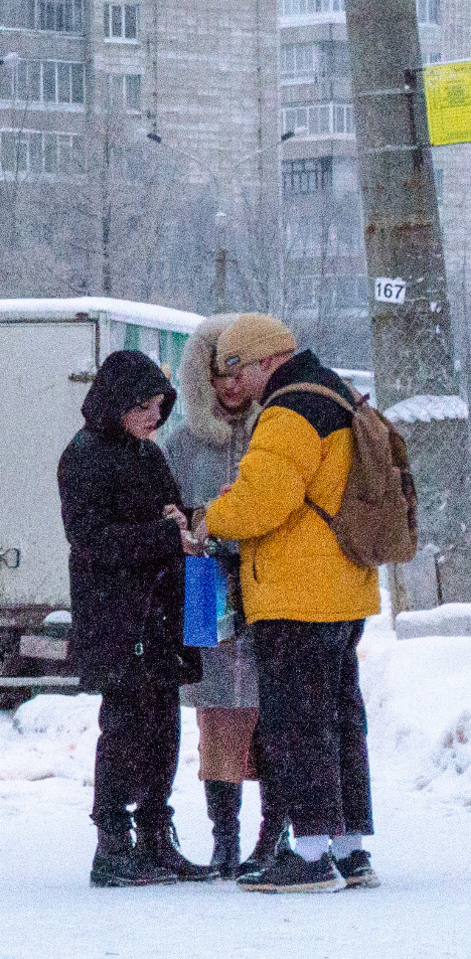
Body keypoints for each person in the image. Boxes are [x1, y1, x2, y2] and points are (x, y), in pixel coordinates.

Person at [199, 314, 378, 894]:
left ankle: (309, 853)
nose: (236, 386)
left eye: (238, 369)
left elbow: (264, 501)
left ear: (266, 359)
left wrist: (213, 517)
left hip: (298, 591)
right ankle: (350, 850)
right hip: (344, 586)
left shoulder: (289, 409)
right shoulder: (338, 394)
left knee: (297, 724)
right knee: (338, 717)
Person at [58, 348, 210, 886]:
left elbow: (167, 515)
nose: (153, 417)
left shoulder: (147, 454)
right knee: (123, 728)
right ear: (116, 403)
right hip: (116, 619)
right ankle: (112, 843)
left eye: (159, 406)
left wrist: (178, 520)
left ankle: (153, 834)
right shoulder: (86, 455)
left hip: (158, 617)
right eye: (143, 406)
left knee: (163, 726)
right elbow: (90, 540)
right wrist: (164, 533)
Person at [166, 314, 276, 874]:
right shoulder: (182, 445)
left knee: (273, 714)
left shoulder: (274, 433)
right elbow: (171, 512)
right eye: (218, 375)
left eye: (237, 373)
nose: (230, 387)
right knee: (216, 719)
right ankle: (225, 839)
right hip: (209, 594)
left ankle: (272, 835)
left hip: (267, 590)